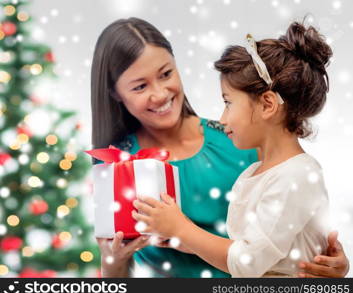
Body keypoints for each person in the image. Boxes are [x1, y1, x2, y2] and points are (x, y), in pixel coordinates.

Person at [90, 17, 349, 278]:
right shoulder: (118, 167)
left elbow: (281, 239)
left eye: (166, 73)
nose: (159, 94)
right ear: (115, 93)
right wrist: (112, 262)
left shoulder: (241, 141)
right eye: (140, 86)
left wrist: (328, 264)